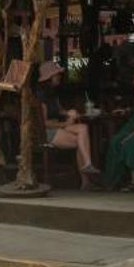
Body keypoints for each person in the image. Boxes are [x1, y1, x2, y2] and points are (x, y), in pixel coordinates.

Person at [39, 62, 99, 190]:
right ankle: (86, 180)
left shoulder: (53, 93)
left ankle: (88, 164)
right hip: (47, 131)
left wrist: (69, 112)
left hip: (57, 126)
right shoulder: (41, 96)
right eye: (57, 75)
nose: (59, 77)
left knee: (83, 128)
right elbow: (43, 123)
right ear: (50, 77)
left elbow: (60, 111)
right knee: (80, 141)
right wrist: (65, 123)